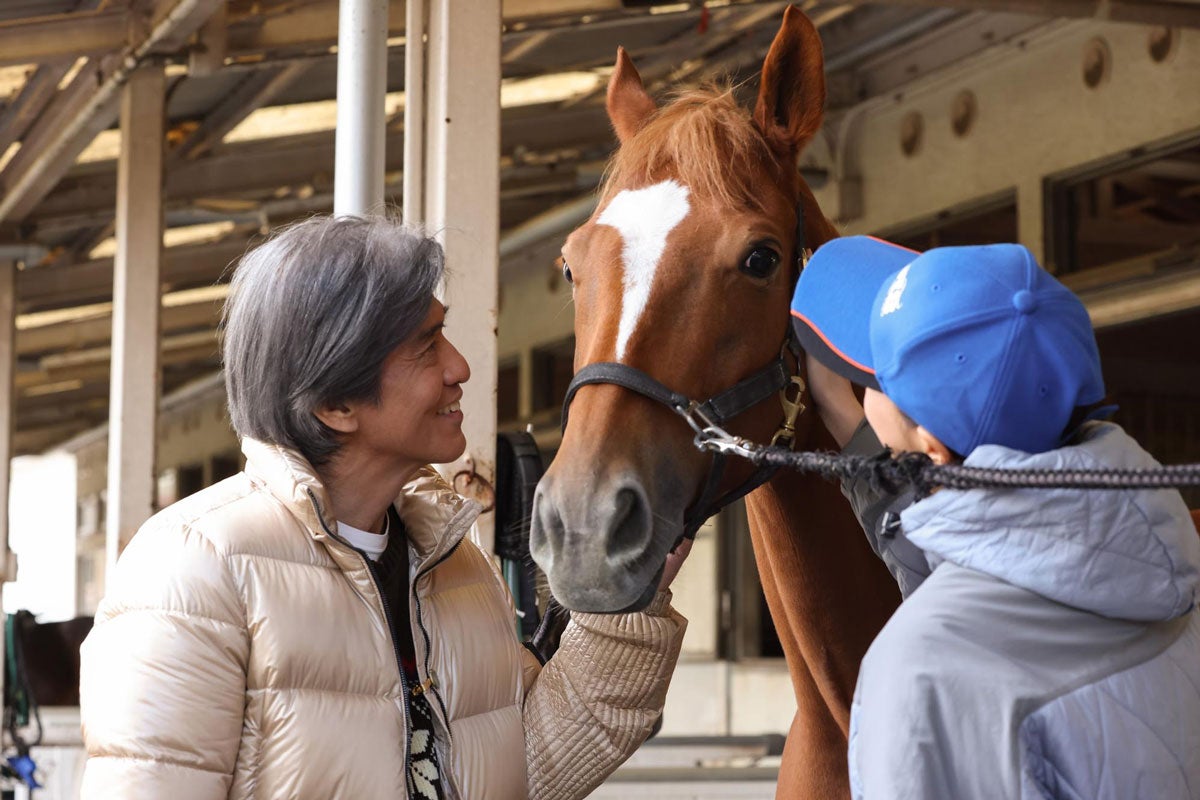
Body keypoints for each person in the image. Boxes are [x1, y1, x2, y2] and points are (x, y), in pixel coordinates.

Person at [78, 215, 690, 800]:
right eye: (427, 346)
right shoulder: (194, 568)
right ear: (335, 403)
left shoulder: (458, 566)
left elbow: (523, 769)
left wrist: (626, 607)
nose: (460, 367)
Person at [791, 236, 1200, 799]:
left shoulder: (920, 669)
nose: (863, 392)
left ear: (931, 447)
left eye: (876, 380)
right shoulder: (1169, 554)